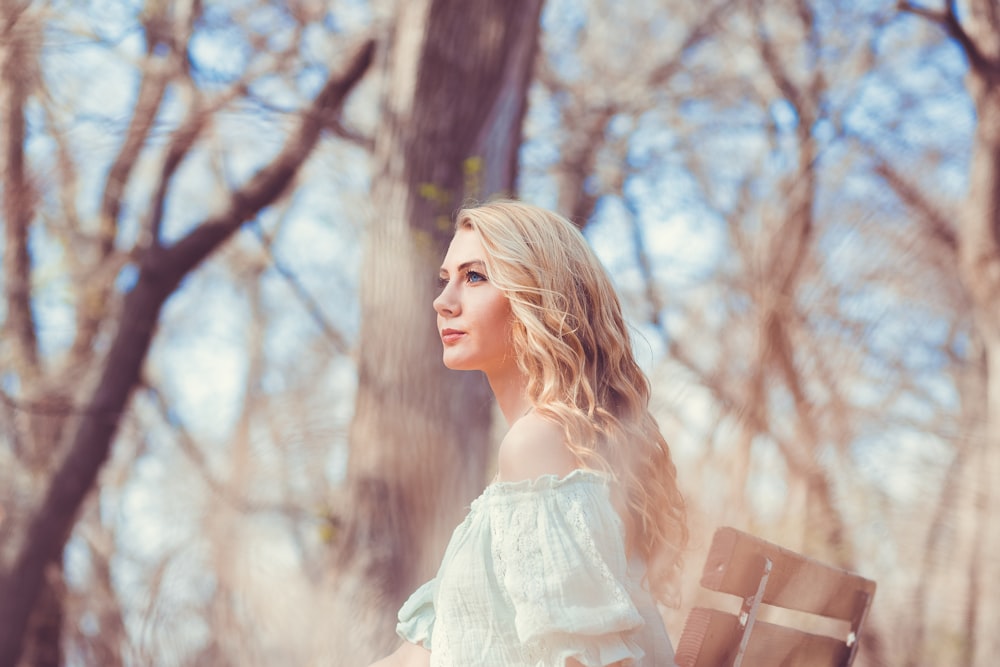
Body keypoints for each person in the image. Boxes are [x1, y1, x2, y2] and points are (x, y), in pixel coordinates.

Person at [368, 199, 687, 667]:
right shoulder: (562, 450)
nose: (443, 301)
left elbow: (588, 659)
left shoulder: (540, 446)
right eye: (446, 278)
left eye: (474, 277)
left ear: (538, 297)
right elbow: (428, 651)